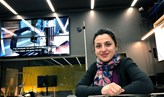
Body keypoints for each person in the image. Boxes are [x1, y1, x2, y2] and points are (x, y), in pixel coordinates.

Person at [75, 28, 154, 97]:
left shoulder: (125, 63)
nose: (103, 49)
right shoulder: (94, 67)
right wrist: (102, 90)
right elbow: (78, 89)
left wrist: (117, 91)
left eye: (108, 44)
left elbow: (146, 84)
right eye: (98, 46)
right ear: (95, 50)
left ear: (115, 47)